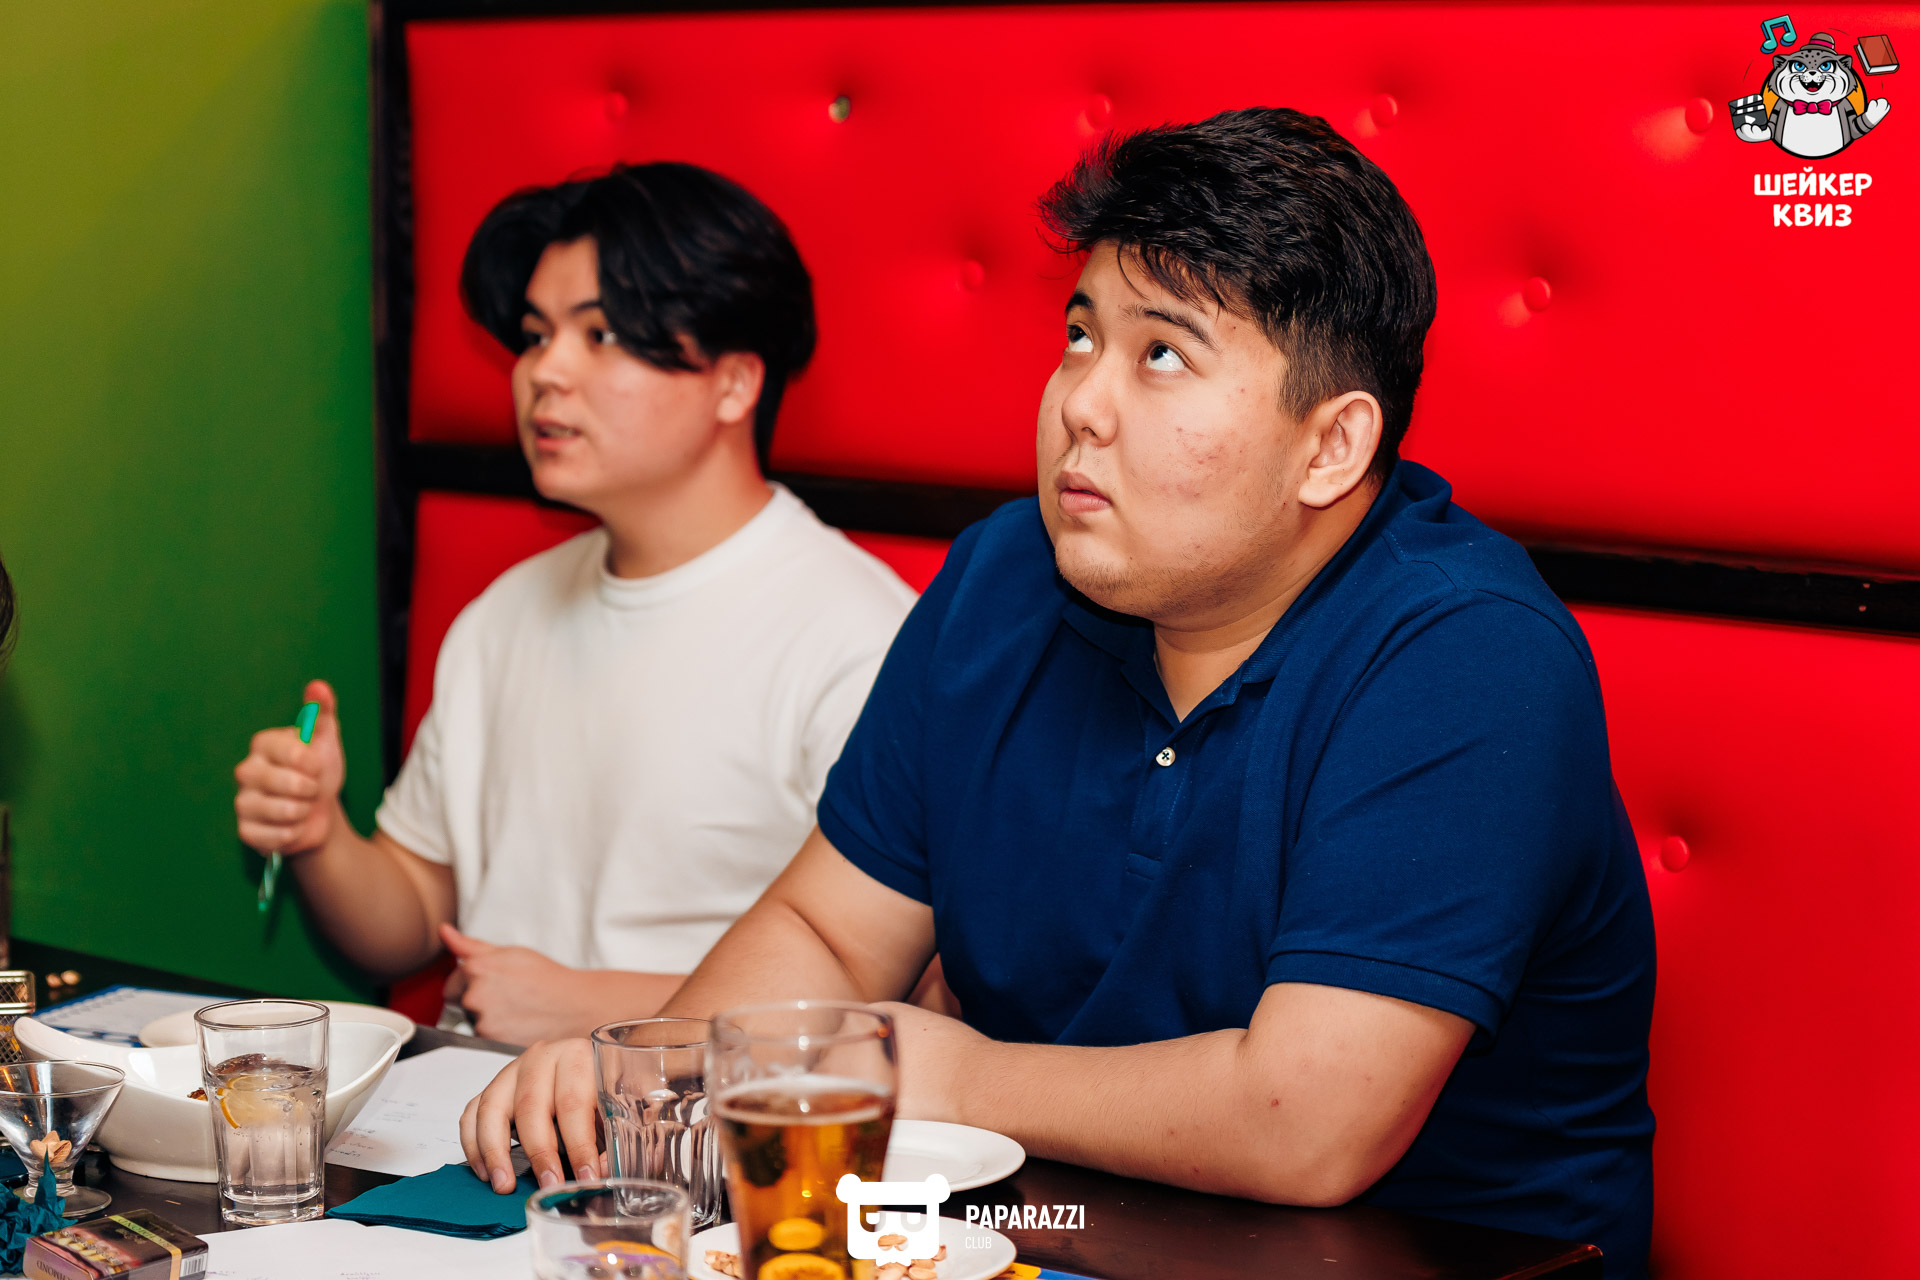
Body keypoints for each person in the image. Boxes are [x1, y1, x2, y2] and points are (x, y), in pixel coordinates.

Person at [463, 111, 1655, 1276]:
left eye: (1162, 354)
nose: (1080, 400)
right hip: (1038, 1230)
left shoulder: (1466, 651)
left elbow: (1307, 1122)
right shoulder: (1005, 575)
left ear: (1331, 446)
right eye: (1081, 336)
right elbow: (829, 929)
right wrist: (669, 1069)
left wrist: (950, 1073)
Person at [232, 163, 916, 1045]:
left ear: (735, 383)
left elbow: (902, 996)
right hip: (466, 1103)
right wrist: (320, 834)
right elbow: (408, 917)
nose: (543, 372)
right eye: (534, 335)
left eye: (601, 334)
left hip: (694, 1118)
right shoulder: (504, 615)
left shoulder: (860, 638)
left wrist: (599, 1010)